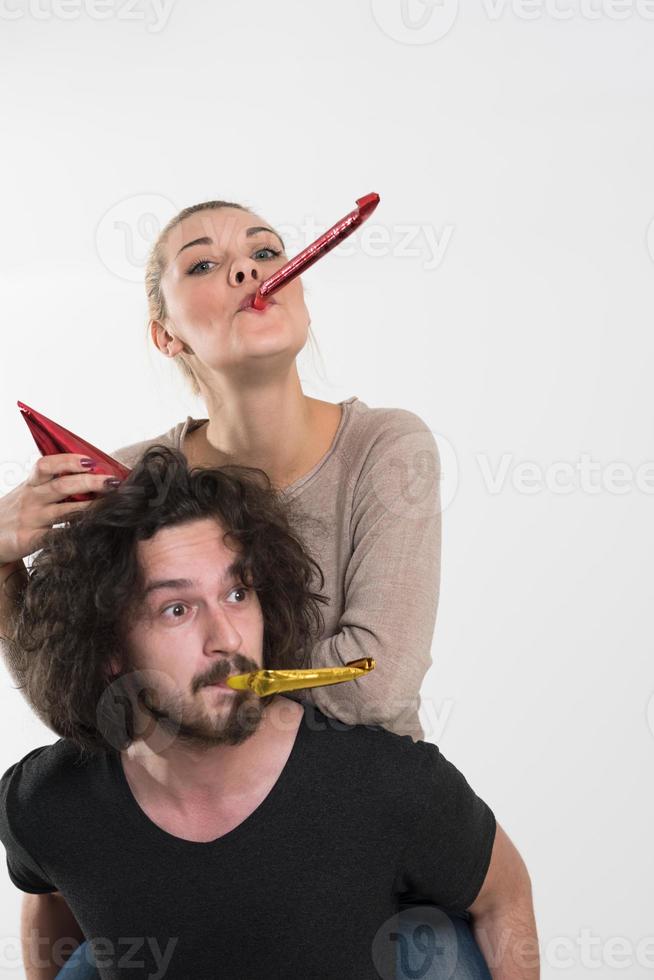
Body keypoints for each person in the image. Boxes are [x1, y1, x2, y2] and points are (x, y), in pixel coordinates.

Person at [0, 198, 473, 976]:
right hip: (177, 842)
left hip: (354, 840)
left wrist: (184, 680)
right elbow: (79, 693)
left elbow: (377, 686)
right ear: (166, 332)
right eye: (204, 264)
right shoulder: (135, 483)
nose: (249, 268)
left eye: (266, 250)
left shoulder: (387, 446)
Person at [0, 447, 538, 980]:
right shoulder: (43, 800)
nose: (227, 638)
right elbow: (48, 890)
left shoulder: (387, 785)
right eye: (177, 609)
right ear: (109, 649)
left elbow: (503, 894)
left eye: (237, 593)